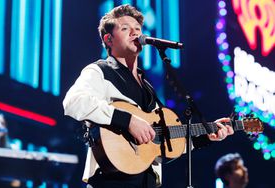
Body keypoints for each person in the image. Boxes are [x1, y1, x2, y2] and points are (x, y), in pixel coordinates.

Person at [63, 4, 234, 188]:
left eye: (137, 29)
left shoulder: (148, 87)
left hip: (147, 181)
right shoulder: (100, 71)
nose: (134, 33)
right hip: (111, 180)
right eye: (125, 28)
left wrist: (205, 137)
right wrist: (127, 120)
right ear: (109, 39)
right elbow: (73, 102)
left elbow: (161, 143)